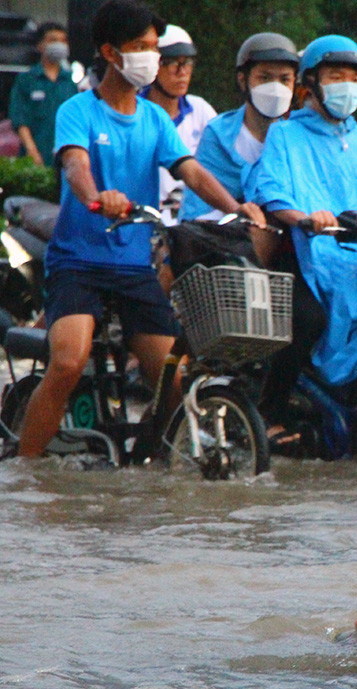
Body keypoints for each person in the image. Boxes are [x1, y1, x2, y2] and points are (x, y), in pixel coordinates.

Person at [15, 0, 264, 459]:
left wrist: (236, 206)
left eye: (154, 46)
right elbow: (75, 164)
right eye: (140, 47)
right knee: (68, 362)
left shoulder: (154, 118)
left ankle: (156, 458)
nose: (151, 56)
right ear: (110, 52)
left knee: (174, 377)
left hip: (134, 265)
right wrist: (97, 197)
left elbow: (191, 171)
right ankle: (23, 470)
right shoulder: (78, 110)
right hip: (78, 261)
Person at [247, 34, 357, 443]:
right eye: (336, 76)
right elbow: (271, 191)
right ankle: (270, 412)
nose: (347, 86)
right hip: (309, 253)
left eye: (354, 77)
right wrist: (305, 219)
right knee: (305, 319)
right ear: (310, 83)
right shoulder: (285, 135)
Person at [179, 32, 299, 223]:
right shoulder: (219, 134)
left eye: (285, 79)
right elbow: (196, 209)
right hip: (224, 240)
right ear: (243, 80)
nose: (276, 88)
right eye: (265, 77)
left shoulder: (299, 138)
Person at [140, 24, 217, 224]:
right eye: (173, 63)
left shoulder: (200, 110)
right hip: (144, 217)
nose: (182, 72)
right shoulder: (135, 111)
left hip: (191, 219)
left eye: (188, 63)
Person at [7, 22, 77, 167]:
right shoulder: (27, 80)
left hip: (63, 156)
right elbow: (20, 119)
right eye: (53, 40)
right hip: (35, 155)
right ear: (40, 45)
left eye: (63, 41)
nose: (59, 45)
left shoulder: (69, 81)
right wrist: (31, 150)